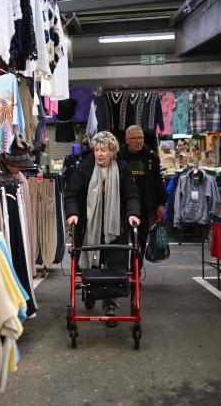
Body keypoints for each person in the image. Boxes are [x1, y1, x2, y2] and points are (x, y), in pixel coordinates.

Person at [64, 131, 141, 327]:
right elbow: (71, 194)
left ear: (112, 151)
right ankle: (90, 292)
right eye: (96, 149)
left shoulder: (122, 169)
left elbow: (131, 195)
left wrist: (133, 213)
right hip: (89, 226)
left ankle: (110, 306)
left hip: (115, 228)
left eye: (103, 150)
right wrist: (72, 213)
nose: (99, 154)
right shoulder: (85, 167)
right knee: (91, 265)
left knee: (115, 265)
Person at [119, 125, 168, 260]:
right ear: (127, 140)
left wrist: (162, 203)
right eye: (134, 138)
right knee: (120, 242)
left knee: (140, 243)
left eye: (140, 138)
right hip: (121, 206)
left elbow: (158, 181)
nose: (138, 141)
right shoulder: (118, 156)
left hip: (145, 206)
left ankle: (136, 273)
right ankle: (121, 272)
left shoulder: (151, 156)